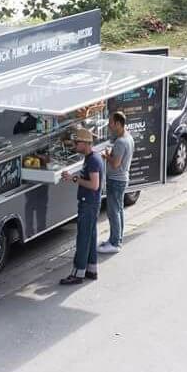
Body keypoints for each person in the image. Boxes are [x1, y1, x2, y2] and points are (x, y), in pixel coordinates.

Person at [60, 128, 104, 285]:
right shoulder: (91, 158)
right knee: (90, 237)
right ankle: (91, 270)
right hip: (90, 203)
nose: (74, 145)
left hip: (89, 203)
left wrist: (74, 179)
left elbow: (94, 184)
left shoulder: (92, 161)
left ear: (85, 143)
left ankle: (77, 273)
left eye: (77, 142)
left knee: (83, 239)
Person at [98, 111, 134, 254]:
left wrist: (106, 156)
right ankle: (116, 238)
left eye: (111, 122)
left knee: (113, 212)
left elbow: (116, 164)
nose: (109, 125)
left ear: (118, 124)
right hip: (122, 178)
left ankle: (115, 243)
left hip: (116, 180)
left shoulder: (120, 142)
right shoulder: (128, 137)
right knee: (118, 210)